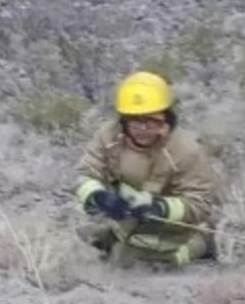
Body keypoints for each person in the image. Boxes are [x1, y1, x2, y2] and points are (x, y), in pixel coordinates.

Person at [73, 71, 220, 267]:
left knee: (129, 264)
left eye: (151, 121)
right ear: (124, 121)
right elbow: (86, 174)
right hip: (128, 221)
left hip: (175, 230)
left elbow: (199, 204)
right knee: (84, 238)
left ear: (165, 119)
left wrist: (158, 207)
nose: (143, 129)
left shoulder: (187, 150)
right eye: (135, 121)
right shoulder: (109, 136)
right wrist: (100, 198)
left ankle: (198, 246)